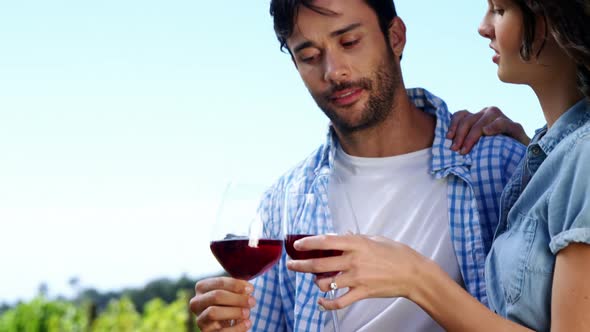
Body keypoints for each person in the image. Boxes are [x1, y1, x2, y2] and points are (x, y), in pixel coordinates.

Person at [189, 0, 527, 331]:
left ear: (395, 37)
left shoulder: (501, 166)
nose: (333, 71)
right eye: (309, 56)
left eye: (349, 42)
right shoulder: (283, 203)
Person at [289, 0, 590, 331]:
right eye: (308, 56)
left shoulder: (573, 152)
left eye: (500, 9)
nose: (482, 26)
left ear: (554, 18)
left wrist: (415, 277)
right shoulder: (537, 158)